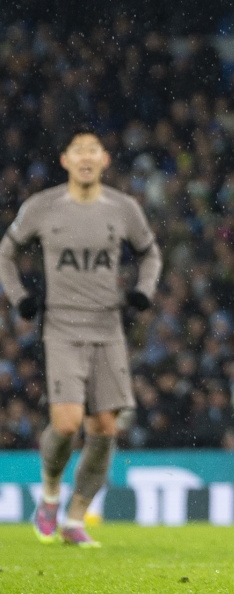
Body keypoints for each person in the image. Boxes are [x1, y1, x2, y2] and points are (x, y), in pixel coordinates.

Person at [0, 131, 161, 548]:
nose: (86, 157)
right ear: (65, 160)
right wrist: (20, 298)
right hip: (62, 327)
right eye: (78, 151)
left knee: (105, 427)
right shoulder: (42, 207)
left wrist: (144, 290)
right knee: (68, 424)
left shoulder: (124, 208)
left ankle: (75, 518)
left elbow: (151, 253)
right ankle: (50, 494)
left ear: (105, 160)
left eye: (93, 150)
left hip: (108, 328)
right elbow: (5, 253)